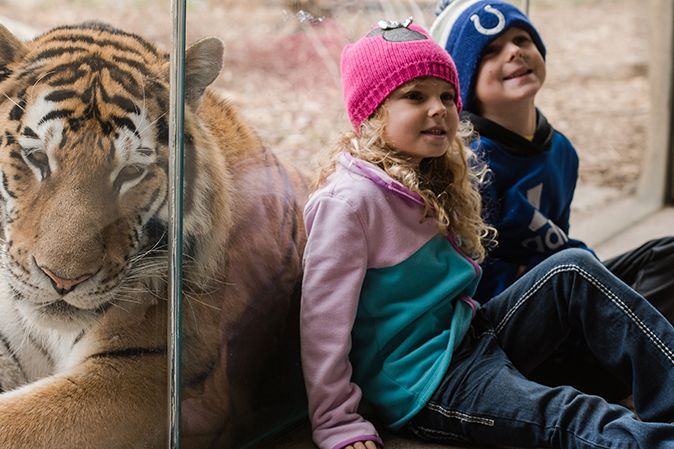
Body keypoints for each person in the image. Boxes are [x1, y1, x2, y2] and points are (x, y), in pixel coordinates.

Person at [300, 19, 674, 449]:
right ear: (372, 111)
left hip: (472, 334)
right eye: (414, 96)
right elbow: (321, 321)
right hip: (427, 386)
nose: (438, 108)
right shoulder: (348, 202)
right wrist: (336, 421)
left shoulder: (431, 177)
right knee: (570, 414)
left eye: (445, 96)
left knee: (572, 269)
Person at [430, 0, 674, 317]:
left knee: (666, 255)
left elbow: (557, 240)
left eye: (522, 39)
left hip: (569, 285)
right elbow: (472, 279)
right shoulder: (469, 165)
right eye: (491, 50)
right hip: (510, 313)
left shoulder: (561, 150)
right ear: (464, 78)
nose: (514, 52)